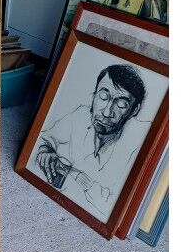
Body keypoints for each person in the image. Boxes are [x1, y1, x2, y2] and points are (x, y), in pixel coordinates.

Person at [34, 64, 150, 222]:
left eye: (121, 104)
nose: (106, 112)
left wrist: (75, 175)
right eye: (103, 97)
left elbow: (111, 204)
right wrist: (44, 150)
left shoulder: (141, 139)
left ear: (134, 110)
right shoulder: (81, 115)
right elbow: (44, 138)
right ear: (94, 95)